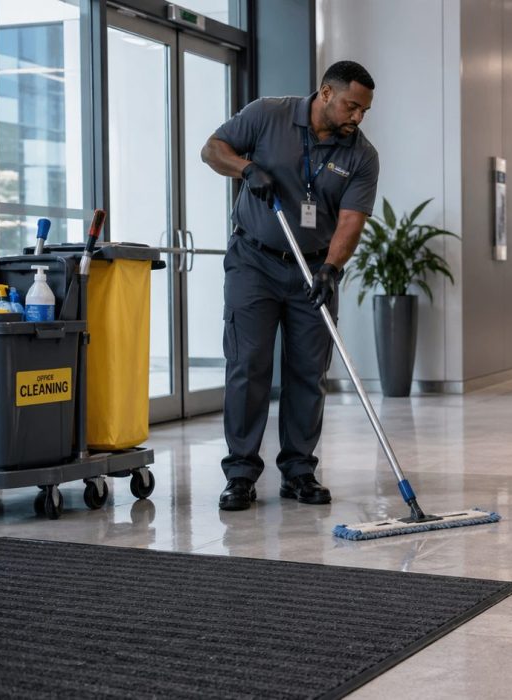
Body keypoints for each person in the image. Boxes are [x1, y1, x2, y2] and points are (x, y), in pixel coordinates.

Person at [201, 61, 379, 511]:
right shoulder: (268, 114)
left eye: (364, 110)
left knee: (308, 372)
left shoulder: (361, 155)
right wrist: (246, 169)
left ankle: (299, 471)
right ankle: (240, 474)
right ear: (326, 93)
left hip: (312, 269)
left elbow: (351, 220)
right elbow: (212, 149)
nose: (357, 117)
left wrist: (332, 269)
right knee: (248, 365)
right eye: (351, 106)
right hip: (253, 262)